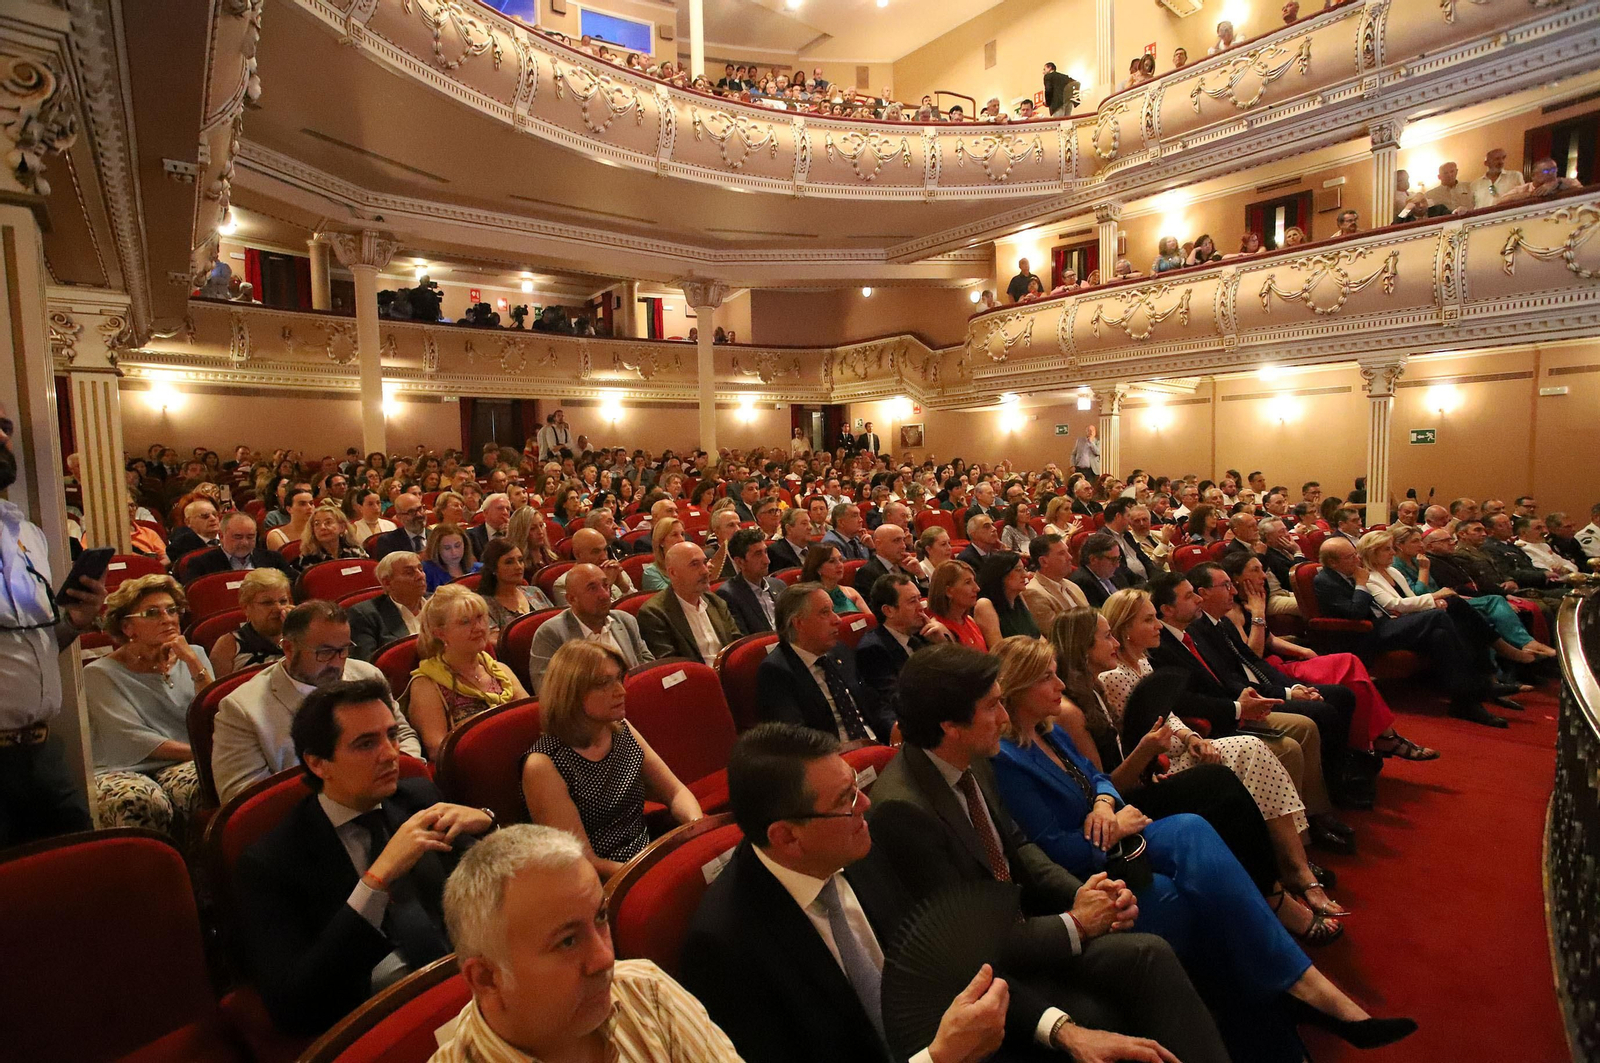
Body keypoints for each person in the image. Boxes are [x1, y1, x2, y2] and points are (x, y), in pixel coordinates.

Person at [990, 636, 1416, 1056]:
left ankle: (1301, 989)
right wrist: (1114, 826)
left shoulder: (1050, 732)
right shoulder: (1006, 758)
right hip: (1092, 866)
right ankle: (1298, 994)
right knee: (1185, 876)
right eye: (1047, 678)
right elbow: (1049, 850)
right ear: (1016, 688)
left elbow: (1097, 778)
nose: (1060, 686)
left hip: (1121, 836)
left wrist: (1103, 802)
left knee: (1195, 833)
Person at [867, 642, 1233, 1063]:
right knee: (1107, 995)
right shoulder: (902, 811)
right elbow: (966, 944)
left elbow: (1019, 845)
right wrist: (1075, 924)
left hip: (1027, 927)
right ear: (950, 725)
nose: (1004, 717)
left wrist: (1082, 894)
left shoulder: (971, 756)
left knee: (1148, 951)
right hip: (988, 975)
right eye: (992, 706)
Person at [681, 722, 1038, 1063]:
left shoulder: (861, 843)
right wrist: (940, 1057)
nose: (865, 804)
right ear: (788, 837)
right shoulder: (725, 947)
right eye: (845, 800)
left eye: (854, 787)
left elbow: (947, 954)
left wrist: (1056, 1027)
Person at [236, 678, 491, 1037]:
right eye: (366, 744)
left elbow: (496, 894)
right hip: (376, 1019)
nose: (390, 754)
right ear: (318, 763)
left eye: (391, 735)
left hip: (466, 981)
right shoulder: (271, 862)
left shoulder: (416, 797)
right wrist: (377, 879)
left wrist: (489, 825)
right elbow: (292, 1006)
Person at [431, 825, 742, 1063]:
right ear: (487, 978)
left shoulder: (646, 992)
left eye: (601, 917)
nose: (605, 958)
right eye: (567, 941)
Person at [1221, 551, 1438, 762]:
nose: (1262, 575)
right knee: (1348, 663)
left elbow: (1269, 639)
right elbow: (1252, 657)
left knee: (1352, 675)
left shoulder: (1253, 599)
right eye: (1255, 570)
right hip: (1268, 673)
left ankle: (1377, 738)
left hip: (1280, 663)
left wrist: (1303, 650)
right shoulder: (1231, 611)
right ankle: (1385, 737)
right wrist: (1258, 615)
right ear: (1237, 579)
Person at [212, 600, 419, 804]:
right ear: (289, 649)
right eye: (325, 652)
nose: (337, 663)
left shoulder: (366, 675)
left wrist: (406, 780)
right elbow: (244, 801)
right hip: (306, 824)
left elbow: (403, 734)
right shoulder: (241, 710)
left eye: (344, 649)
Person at [521, 642, 700, 876]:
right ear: (572, 692)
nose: (621, 691)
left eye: (618, 679)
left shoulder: (620, 727)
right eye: (604, 683)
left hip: (647, 856)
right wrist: (655, 873)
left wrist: (697, 827)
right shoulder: (544, 764)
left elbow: (675, 792)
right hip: (605, 881)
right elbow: (583, 861)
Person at [1315, 537, 1513, 727]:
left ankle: (1466, 702)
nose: (1357, 560)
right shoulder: (1325, 580)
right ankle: (1482, 681)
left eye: (1355, 554)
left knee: (1440, 635)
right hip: (1364, 635)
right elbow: (1355, 613)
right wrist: (1361, 584)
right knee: (1438, 616)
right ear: (1332, 562)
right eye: (1350, 557)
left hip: (1384, 623)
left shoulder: (1349, 573)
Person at [84, 575, 211, 837]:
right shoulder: (100, 674)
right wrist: (201, 753)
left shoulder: (194, 655)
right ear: (128, 627)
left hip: (184, 762)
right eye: (152, 613)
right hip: (123, 767)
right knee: (138, 800)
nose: (167, 618)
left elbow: (211, 713)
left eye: (172, 610)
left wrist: (193, 664)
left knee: (212, 781)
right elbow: (131, 738)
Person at [756, 583, 890, 743]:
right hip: (832, 757)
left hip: (876, 744)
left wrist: (895, 728)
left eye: (833, 610)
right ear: (799, 623)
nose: (837, 619)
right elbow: (794, 738)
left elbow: (873, 703)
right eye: (825, 613)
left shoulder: (839, 650)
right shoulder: (775, 671)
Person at [408, 585, 526, 759]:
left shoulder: (500, 670)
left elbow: (532, 719)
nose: (478, 628)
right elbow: (438, 750)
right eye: (465, 622)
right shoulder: (427, 684)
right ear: (440, 633)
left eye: (480, 618)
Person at [527, 563, 653, 693]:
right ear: (571, 599)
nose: (604, 595)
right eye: (592, 588)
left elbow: (649, 670)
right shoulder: (551, 634)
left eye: (606, 585)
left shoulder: (626, 621)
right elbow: (548, 692)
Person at [637, 540, 740, 664]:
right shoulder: (654, 614)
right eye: (694, 564)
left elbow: (736, 647)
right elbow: (673, 666)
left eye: (705, 562)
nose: (705, 571)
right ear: (673, 573)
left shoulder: (716, 602)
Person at [210, 567, 294, 675]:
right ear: (246, 608)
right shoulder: (228, 646)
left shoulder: (301, 638)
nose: (278, 608)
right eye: (267, 602)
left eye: (283, 601)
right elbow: (220, 691)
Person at [349, 551, 428, 661]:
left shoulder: (438, 603)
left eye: (421, 569)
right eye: (409, 572)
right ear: (387, 582)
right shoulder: (365, 615)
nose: (420, 576)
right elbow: (368, 665)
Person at [184, 511, 295, 581]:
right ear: (222, 536)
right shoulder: (200, 565)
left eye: (250, 537)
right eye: (238, 537)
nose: (245, 543)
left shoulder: (273, 560)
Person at [475, 539, 554, 636]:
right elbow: (495, 642)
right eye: (509, 562)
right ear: (493, 568)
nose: (518, 567)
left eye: (520, 560)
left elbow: (557, 623)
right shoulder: (484, 605)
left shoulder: (534, 592)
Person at [715, 527, 786, 635]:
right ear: (740, 562)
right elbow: (744, 640)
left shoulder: (778, 585)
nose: (767, 561)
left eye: (765, 552)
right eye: (758, 554)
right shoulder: (728, 595)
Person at [973, 550, 1038, 647]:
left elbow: (1038, 636)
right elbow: (999, 651)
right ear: (1001, 574)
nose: (1025, 575)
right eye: (1018, 570)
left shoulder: (1019, 596)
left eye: (1024, 569)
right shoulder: (985, 605)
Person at [927, 560, 986, 650]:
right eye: (967, 582)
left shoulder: (969, 620)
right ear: (949, 591)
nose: (977, 588)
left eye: (974, 581)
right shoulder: (938, 630)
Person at [295, 503, 367, 571]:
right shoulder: (307, 559)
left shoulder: (355, 551)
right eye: (317, 524)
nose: (322, 527)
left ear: (342, 527)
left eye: (328, 522)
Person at [802, 543, 869, 615]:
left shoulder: (850, 592)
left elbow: (871, 621)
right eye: (831, 561)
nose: (840, 565)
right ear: (818, 568)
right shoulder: (811, 598)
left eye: (840, 559)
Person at [1068, 532, 1131, 609]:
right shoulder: (1082, 582)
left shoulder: (1113, 571)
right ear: (1093, 559)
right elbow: (1098, 615)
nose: (1117, 565)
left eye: (1118, 558)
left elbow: (1138, 581)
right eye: (1113, 559)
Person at [369, 494, 430, 561]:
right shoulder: (388, 542)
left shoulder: (437, 537)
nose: (419, 514)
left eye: (420, 509)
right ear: (399, 517)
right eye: (411, 512)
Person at [639, 516, 686, 592]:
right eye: (674, 535)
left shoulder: (690, 566)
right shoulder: (651, 573)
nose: (681, 539)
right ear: (661, 542)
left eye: (682, 534)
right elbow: (673, 598)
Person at [766, 507, 815, 572]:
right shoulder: (776, 553)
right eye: (804, 523)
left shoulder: (816, 548)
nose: (810, 527)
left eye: (809, 522)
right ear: (789, 529)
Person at [266, 486, 315, 551]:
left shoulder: (320, 530)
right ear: (289, 509)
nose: (309, 507)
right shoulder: (276, 535)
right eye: (302, 504)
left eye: (311, 503)